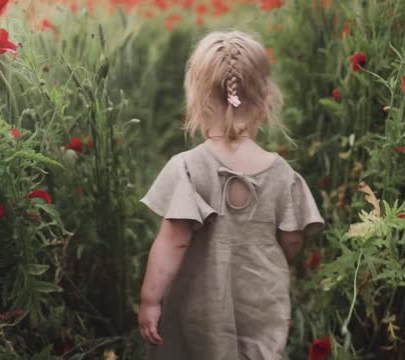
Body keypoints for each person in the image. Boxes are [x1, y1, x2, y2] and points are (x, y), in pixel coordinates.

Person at [137, 30, 325, 360]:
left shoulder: (189, 168)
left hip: (200, 306)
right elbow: (293, 239)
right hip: (261, 298)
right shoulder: (282, 174)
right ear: (266, 99)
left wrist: (151, 300)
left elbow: (173, 241)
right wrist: (270, 256)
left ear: (197, 98)